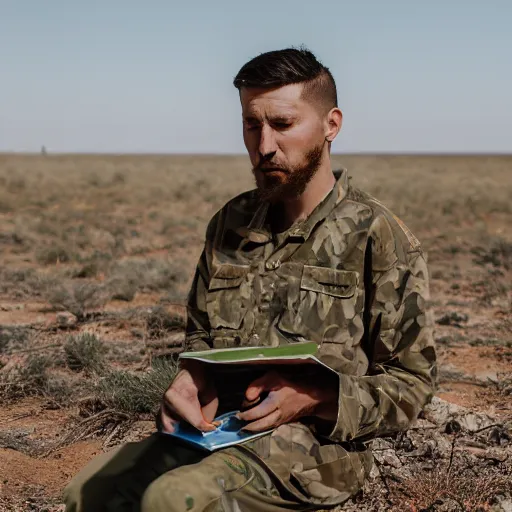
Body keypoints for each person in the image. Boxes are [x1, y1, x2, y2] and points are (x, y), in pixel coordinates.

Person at [64, 47, 437, 512]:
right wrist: (190, 377)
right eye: (250, 124)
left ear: (331, 125)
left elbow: (412, 385)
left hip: (314, 451)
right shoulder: (230, 222)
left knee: (172, 501)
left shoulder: (377, 235)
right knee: (88, 493)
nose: (263, 146)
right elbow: (200, 338)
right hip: (217, 432)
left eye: (282, 124)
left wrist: (317, 395)